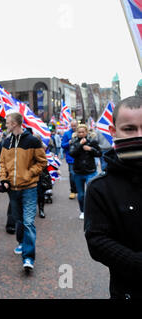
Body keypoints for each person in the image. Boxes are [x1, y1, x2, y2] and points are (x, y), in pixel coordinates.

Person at [84, 95, 142, 299]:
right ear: (113, 131)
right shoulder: (99, 188)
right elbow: (97, 241)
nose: (139, 135)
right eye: (129, 129)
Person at [0, 112, 47, 271]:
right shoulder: (7, 142)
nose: (6, 124)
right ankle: (22, 243)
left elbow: (42, 162)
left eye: (7, 122)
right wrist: (4, 179)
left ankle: (28, 258)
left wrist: (28, 174)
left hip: (29, 188)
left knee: (28, 222)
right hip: (12, 190)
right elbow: (2, 164)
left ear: (14, 124)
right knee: (19, 220)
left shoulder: (32, 141)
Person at [69, 124, 101, 220]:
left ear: (86, 132)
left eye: (83, 132)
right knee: (81, 195)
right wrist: (80, 145)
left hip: (90, 171)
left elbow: (99, 153)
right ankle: (83, 211)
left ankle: (91, 211)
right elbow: (72, 153)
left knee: (90, 193)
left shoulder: (92, 142)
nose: (81, 134)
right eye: (79, 132)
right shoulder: (74, 142)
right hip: (78, 172)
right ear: (77, 133)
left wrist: (91, 149)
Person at [61, 119, 78, 199]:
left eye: (75, 126)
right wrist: (69, 142)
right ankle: (73, 191)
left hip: (80, 158)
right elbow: (63, 145)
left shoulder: (80, 132)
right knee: (72, 175)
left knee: (80, 175)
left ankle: (80, 190)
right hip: (71, 158)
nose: (74, 127)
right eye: (72, 126)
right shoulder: (67, 133)